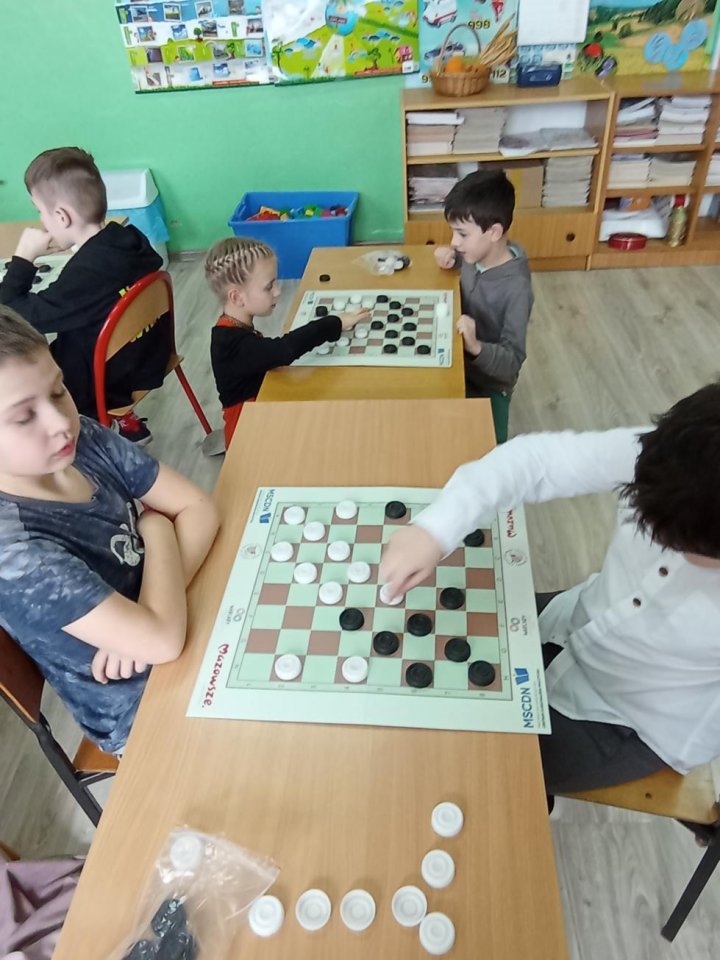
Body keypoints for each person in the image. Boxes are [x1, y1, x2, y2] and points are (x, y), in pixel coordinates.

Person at [380, 383, 720, 794]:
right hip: (570, 621)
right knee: (413, 678)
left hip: (630, 721)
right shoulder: (673, 457)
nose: (659, 542)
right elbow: (535, 461)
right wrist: (434, 531)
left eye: (681, 546)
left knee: (463, 765)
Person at [0, 305, 219, 754]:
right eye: (24, 417)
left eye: (58, 390)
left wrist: (153, 613)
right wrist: (158, 526)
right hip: (140, 708)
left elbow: (200, 507)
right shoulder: (16, 554)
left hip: (182, 620)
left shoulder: (82, 439)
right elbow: (162, 643)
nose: (60, 422)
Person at [0, 147, 168, 445]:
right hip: (145, 357)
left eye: (40, 211)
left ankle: (86, 433)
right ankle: (126, 421)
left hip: (102, 380)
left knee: (20, 365)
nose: (41, 219)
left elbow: (9, 311)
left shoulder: (85, 275)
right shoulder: (128, 238)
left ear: (61, 216)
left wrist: (23, 258)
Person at [205, 237, 369, 448]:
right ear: (237, 298)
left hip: (262, 411)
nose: (277, 291)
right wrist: (335, 322)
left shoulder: (232, 327)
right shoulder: (229, 344)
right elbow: (285, 350)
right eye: (269, 287)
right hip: (247, 435)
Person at [433, 169, 533, 443]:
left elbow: (512, 362)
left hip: (490, 387)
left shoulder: (517, 289)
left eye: (461, 234)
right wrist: (451, 258)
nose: (454, 242)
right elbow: (469, 266)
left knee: (487, 452)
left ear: (494, 232)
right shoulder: (476, 255)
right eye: (453, 232)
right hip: (457, 364)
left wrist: (476, 347)